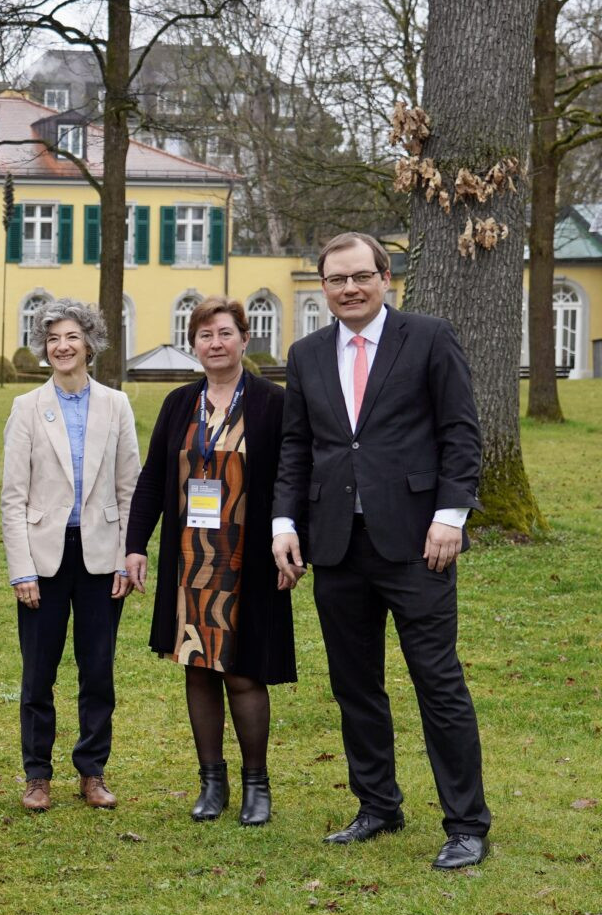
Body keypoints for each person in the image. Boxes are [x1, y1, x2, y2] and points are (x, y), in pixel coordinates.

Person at [272, 232, 489, 869]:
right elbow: (296, 449)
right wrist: (284, 525)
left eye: (360, 276)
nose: (349, 289)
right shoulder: (307, 354)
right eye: (336, 280)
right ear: (323, 286)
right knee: (355, 685)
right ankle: (377, 805)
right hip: (336, 545)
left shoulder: (428, 337)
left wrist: (450, 516)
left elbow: (460, 431)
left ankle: (466, 823)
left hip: (419, 543)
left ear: (385, 276)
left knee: (437, 681)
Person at [124, 297, 296, 826]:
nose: (215, 344)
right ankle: (211, 783)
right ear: (193, 344)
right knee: (197, 669)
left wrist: (293, 539)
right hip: (190, 558)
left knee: (244, 673)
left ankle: (256, 786)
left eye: (225, 333)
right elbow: (153, 477)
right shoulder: (179, 403)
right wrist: (135, 545)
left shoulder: (272, 402)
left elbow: (294, 475)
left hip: (250, 557)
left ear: (245, 339)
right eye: (204, 336)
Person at [1, 298, 140, 813]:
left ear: (91, 344)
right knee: (38, 672)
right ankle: (37, 775)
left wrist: (130, 556)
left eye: (72, 337)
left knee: (97, 669)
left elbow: (130, 489)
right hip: (44, 560)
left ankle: (92, 770)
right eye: (53, 338)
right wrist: (21, 570)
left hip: (102, 557)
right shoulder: (26, 409)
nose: (62, 346)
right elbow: (13, 497)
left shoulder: (116, 405)